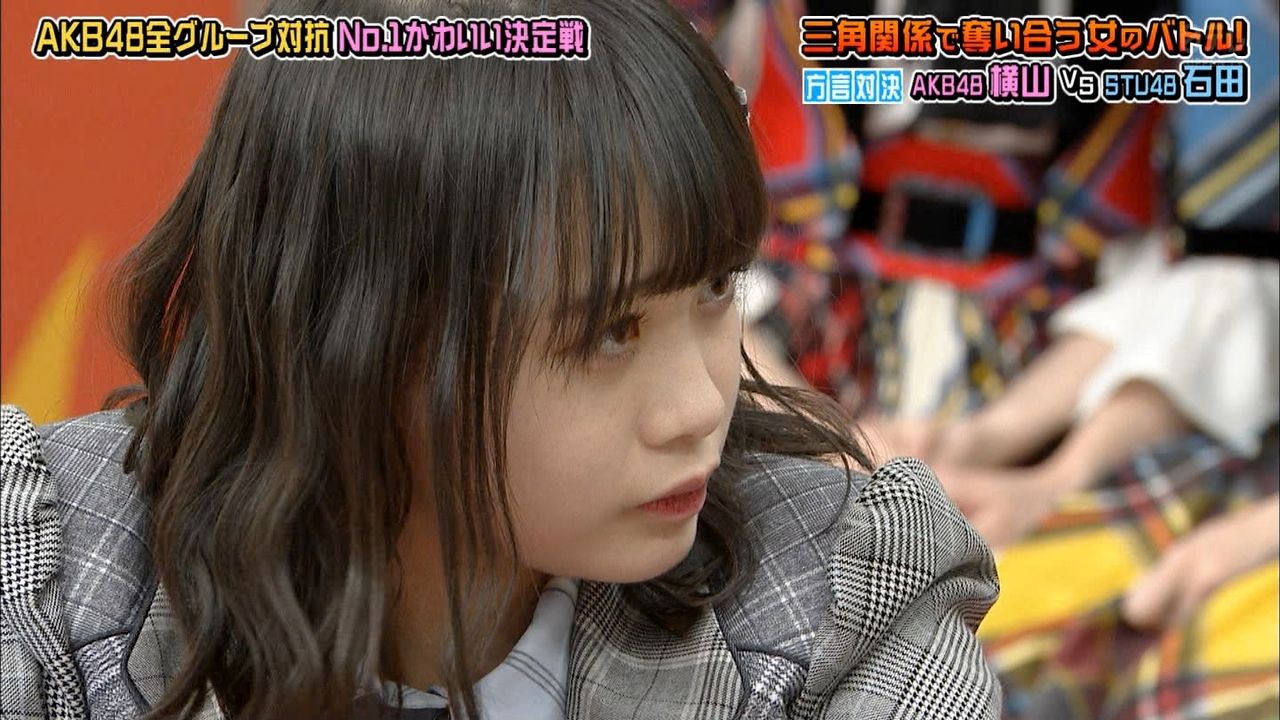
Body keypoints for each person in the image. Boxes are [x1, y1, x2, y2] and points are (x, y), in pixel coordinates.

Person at [0, 1, 1001, 719]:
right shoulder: (53, 582)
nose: (702, 404)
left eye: (714, 290)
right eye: (610, 331)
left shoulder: (835, 600)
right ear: (358, 327)